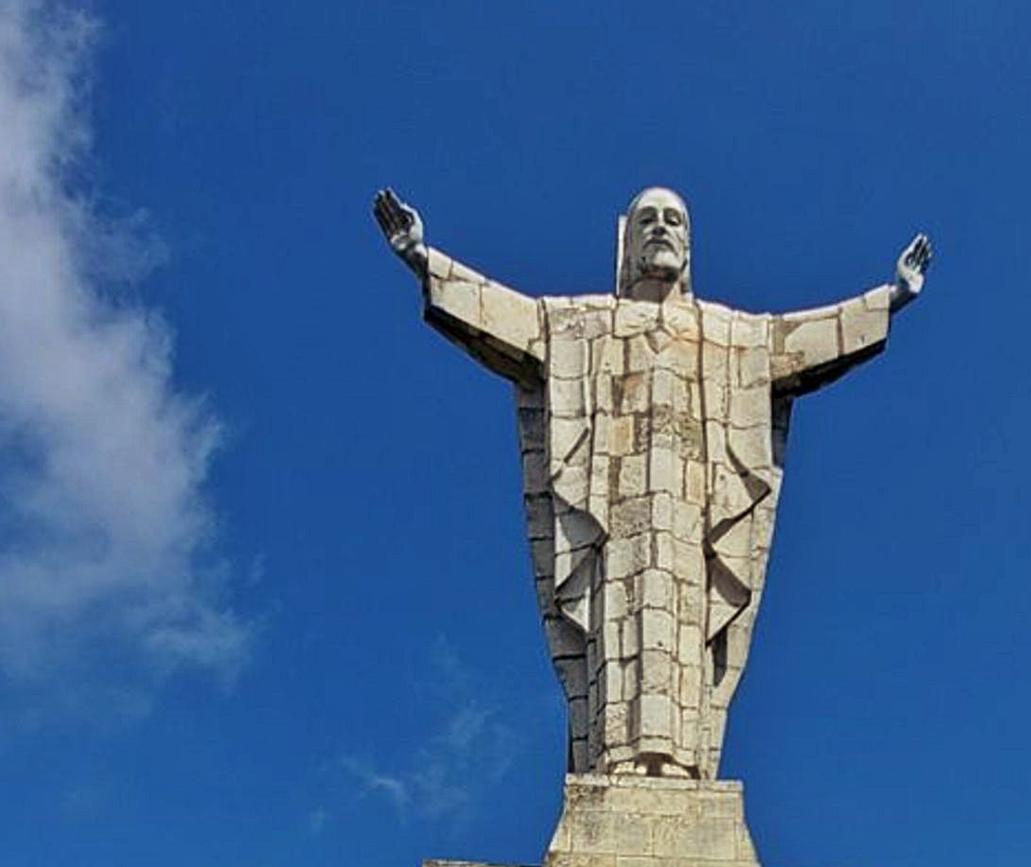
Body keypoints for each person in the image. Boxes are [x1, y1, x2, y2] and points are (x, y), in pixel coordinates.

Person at [373, 184, 932, 780]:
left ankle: (685, 765)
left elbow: (806, 338)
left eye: (673, 220)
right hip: (613, 526)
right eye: (647, 220)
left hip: (697, 528)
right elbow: (510, 319)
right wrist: (422, 259)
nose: (661, 228)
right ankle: (616, 759)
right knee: (619, 629)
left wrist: (889, 299)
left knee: (686, 632)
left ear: (689, 245)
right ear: (627, 241)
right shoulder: (585, 324)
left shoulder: (731, 335)